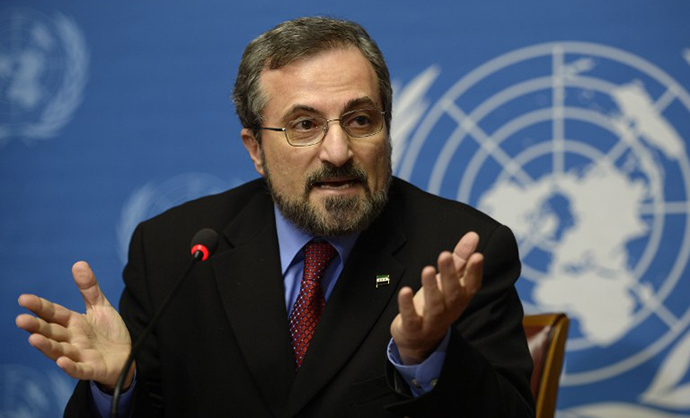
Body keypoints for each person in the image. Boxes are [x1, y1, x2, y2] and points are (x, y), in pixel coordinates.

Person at [16, 17, 535, 417]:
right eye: (304, 125)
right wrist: (116, 389)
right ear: (255, 150)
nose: (337, 150)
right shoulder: (175, 250)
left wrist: (428, 356)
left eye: (360, 120)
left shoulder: (461, 250)